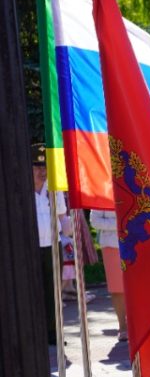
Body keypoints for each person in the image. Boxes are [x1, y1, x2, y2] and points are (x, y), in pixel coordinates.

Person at [33, 144, 67, 345]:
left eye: (44, 166)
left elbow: (62, 215)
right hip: (31, 248)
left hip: (53, 246)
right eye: (37, 167)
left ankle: (54, 333)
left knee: (53, 291)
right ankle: (37, 332)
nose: (42, 171)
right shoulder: (22, 188)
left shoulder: (53, 188)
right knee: (35, 291)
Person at [89, 209, 127, 339]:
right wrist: (120, 223)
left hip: (135, 241)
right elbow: (95, 221)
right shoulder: (101, 190)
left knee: (138, 287)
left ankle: (139, 325)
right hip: (111, 245)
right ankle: (123, 326)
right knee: (117, 288)